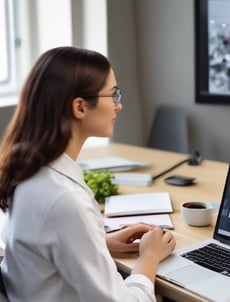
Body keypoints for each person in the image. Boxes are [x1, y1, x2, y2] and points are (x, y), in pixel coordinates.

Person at [0, 46, 176, 301]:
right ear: (80, 107)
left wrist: (102, 242)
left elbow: (41, 250)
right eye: (113, 95)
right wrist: (149, 257)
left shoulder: (28, 173)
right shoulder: (65, 199)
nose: (119, 105)